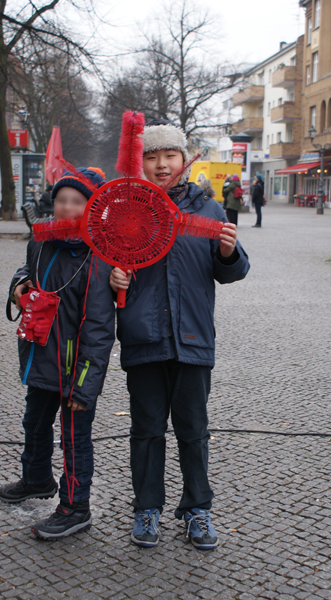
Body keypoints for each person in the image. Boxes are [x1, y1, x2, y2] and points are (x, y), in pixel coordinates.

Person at [109, 119, 250, 551]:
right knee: (147, 430)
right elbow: (102, 265)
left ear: (184, 160)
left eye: (169, 155)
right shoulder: (126, 210)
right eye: (151, 156)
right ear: (141, 162)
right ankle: (146, 508)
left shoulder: (209, 210)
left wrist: (227, 252)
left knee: (194, 430)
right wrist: (113, 279)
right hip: (144, 339)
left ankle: (197, 510)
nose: (161, 164)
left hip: (192, 338)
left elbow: (234, 271)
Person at [0, 167, 115, 540]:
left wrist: (84, 386)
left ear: (91, 208)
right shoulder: (41, 239)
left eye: (76, 202)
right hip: (40, 352)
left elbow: (99, 328)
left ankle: (75, 507)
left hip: (73, 366)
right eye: (62, 200)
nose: (66, 208)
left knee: (74, 438)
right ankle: (35, 479)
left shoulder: (98, 255)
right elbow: (25, 271)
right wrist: (18, 287)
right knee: (34, 421)